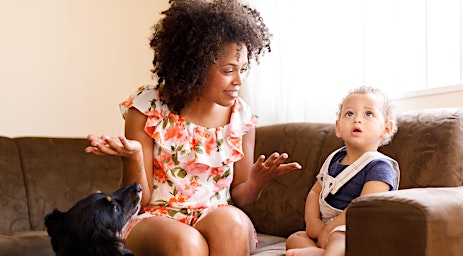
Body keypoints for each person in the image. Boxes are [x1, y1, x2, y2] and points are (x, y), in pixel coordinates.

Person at [85, 0, 302, 255]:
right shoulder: (147, 107)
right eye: (228, 70)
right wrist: (131, 157)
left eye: (243, 69)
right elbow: (138, 200)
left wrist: (256, 182)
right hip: (154, 218)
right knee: (189, 243)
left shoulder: (240, 116)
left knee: (233, 223)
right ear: (195, 67)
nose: (239, 80)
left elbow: (240, 196)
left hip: (214, 214)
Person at [285, 86, 400, 256]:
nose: (357, 120)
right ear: (338, 128)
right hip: (326, 227)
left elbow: (362, 207)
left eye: (368, 114)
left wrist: (330, 229)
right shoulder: (333, 160)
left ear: (386, 129)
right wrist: (313, 221)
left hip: (356, 228)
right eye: (349, 114)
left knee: (339, 238)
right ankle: (321, 252)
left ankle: (325, 253)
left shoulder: (380, 167)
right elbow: (316, 192)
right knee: (295, 238)